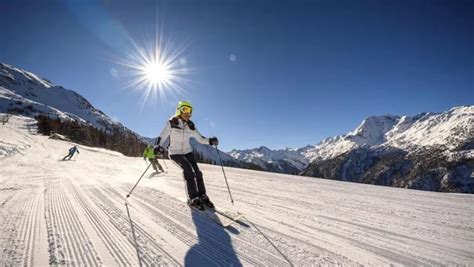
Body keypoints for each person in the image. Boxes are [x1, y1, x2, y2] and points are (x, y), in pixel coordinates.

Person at [155, 101, 219, 210]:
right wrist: (157, 146)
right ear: (179, 110)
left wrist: (210, 141)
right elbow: (162, 136)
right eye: (185, 109)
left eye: (190, 111)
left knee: (197, 172)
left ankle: (202, 195)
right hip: (175, 153)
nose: (187, 113)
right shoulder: (172, 123)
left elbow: (200, 139)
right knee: (188, 171)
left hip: (187, 152)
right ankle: (193, 198)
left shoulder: (190, 125)